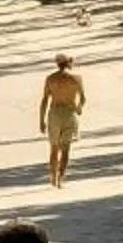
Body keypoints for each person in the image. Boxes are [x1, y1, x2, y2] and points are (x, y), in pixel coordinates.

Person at [38, 55, 86, 188]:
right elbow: (83, 98)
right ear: (68, 64)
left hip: (54, 114)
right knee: (65, 149)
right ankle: (61, 179)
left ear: (57, 64)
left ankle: (53, 176)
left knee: (54, 148)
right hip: (69, 113)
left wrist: (41, 120)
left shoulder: (50, 78)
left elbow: (45, 100)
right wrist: (79, 108)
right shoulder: (77, 79)